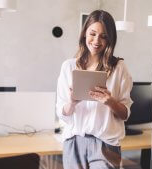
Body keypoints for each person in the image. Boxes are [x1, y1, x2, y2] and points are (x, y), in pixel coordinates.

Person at [56, 10, 133, 169]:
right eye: (92, 33)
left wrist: (110, 102)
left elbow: (125, 114)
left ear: (110, 39)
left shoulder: (119, 68)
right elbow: (62, 112)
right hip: (73, 142)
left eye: (103, 36)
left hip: (105, 144)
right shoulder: (68, 66)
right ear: (84, 33)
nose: (97, 41)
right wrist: (71, 103)